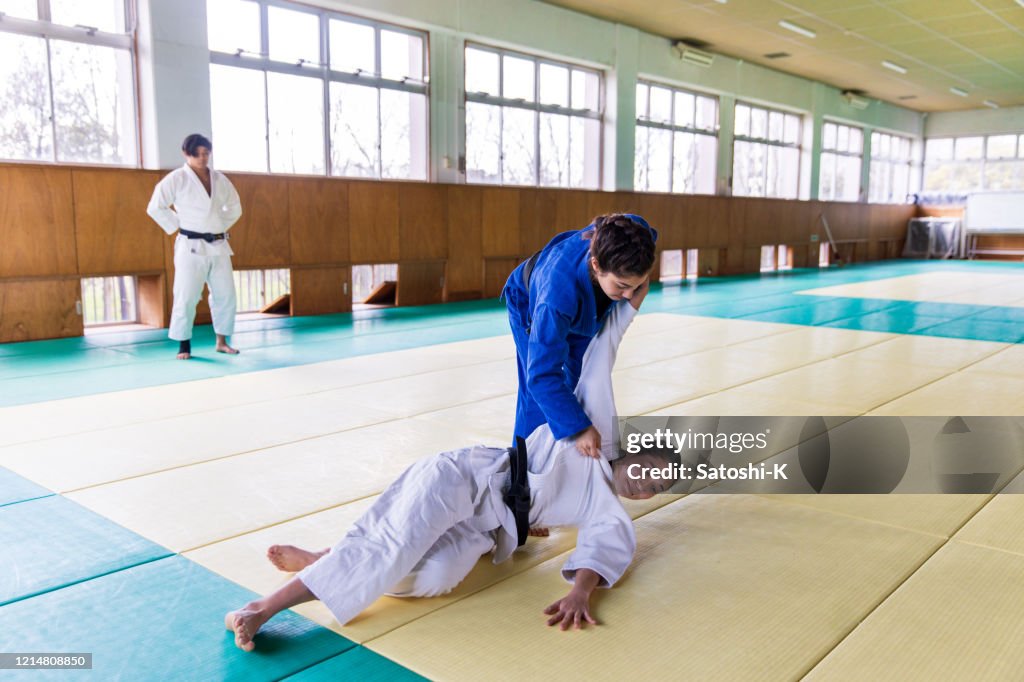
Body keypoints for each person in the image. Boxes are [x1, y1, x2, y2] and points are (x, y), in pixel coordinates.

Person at [225, 280, 676, 651]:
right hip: (468, 479)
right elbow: (603, 352)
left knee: (435, 577)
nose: (646, 487)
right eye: (653, 470)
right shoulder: (595, 428)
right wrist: (633, 293)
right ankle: (264, 608)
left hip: (488, 531)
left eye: (657, 489)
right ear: (636, 450)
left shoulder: (608, 513)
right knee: (393, 546)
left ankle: (330, 558)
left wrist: (580, 593)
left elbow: (602, 552)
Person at [502, 213, 657, 460]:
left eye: (635, 285)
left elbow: (638, 230)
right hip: (530, 298)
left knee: (581, 380)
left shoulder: (636, 235)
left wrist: (637, 288)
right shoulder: (555, 299)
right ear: (596, 265)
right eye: (621, 285)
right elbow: (541, 376)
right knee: (538, 399)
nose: (629, 295)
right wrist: (578, 428)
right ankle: (520, 475)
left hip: (589, 303)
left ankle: (576, 462)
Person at [147, 133, 242, 360]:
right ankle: (184, 345)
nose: (202, 158)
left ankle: (221, 341)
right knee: (187, 295)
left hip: (219, 244)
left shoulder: (220, 179)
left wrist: (219, 223)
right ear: (186, 154)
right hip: (190, 245)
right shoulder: (177, 178)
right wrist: (179, 225)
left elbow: (236, 207)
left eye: (206, 153)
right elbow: (155, 207)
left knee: (226, 294)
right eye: (197, 154)